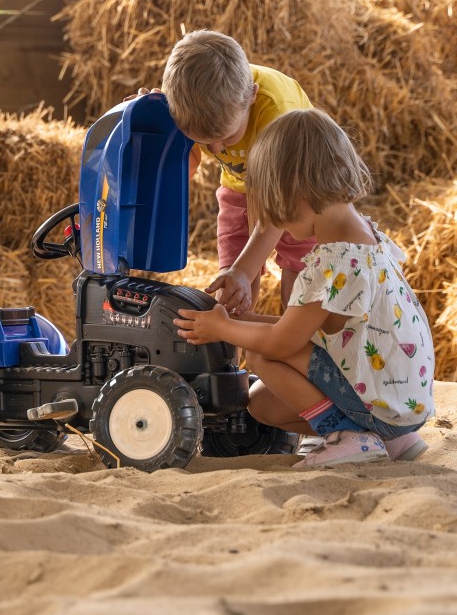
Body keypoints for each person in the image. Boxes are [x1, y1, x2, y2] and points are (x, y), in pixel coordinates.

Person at [172, 108, 435, 468]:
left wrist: (222, 328)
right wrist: (247, 319)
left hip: (380, 403)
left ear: (297, 196)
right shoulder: (366, 239)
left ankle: (351, 436)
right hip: (403, 401)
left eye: (274, 210)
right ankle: (394, 440)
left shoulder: (333, 263)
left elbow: (282, 343)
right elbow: (321, 331)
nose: (274, 223)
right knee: (263, 404)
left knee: (263, 356)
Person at [136, 29, 316, 315]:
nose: (216, 150)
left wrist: (246, 270)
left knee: (299, 282)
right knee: (230, 290)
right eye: (204, 141)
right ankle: (233, 356)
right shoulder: (189, 107)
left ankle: (294, 348)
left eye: (226, 136)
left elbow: (280, 209)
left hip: (298, 190)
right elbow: (185, 168)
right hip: (239, 189)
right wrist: (156, 132)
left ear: (252, 97)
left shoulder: (279, 112)